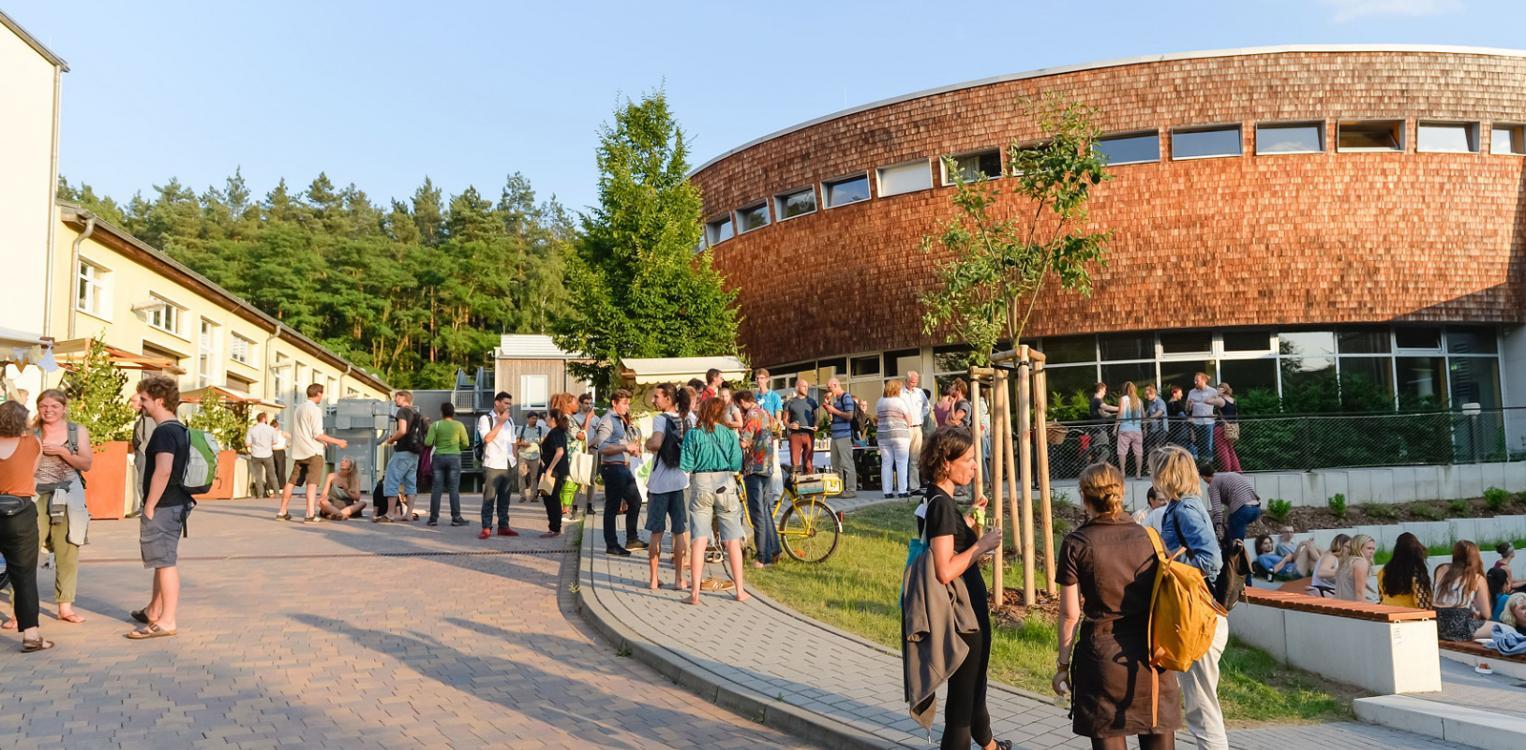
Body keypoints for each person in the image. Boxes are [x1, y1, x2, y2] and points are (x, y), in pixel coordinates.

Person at [1055, 462, 1179, 750]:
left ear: (1084, 497)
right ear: (1120, 493)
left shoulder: (1077, 543)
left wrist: (1063, 665)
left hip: (1103, 660)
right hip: (1152, 658)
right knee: (1158, 733)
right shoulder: (1151, 538)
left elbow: (1070, 614)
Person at [905, 427, 1005, 750]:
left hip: (969, 613)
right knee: (962, 707)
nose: (975, 465)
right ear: (947, 463)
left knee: (973, 692)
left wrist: (970, 523)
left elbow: (947, 543)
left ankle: (989, 745)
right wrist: (983, 545)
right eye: (970, 459)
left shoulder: (937, 499)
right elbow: (945, 569)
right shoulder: (941, 506)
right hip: (964, 619)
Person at [1151, 445, 1226, 750]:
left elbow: (1211, 561)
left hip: (1198, 618)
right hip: (1199, 614)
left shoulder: (1185, 509)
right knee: (1201, 705)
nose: (1151, 474)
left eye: (1156, 468)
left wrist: (1171, 569)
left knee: (1202, 709)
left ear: (1167, 474)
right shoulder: (1183, 506)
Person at [127, 375, 194, 640]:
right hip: (177, 503)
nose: (140, 404)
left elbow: (163, 471)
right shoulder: (180, 428)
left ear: (159, 400)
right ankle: (154, 610)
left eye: (144, 399)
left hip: (164, 505)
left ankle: (167, 620)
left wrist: (150, 505)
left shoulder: (164, 432)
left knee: (165, 562)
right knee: (161, 559)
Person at [681, 397, 750, 606]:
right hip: (725, 482)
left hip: (701, 482)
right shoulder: (729, 434)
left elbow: (686, 464)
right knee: (732, 541)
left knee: (699, 540)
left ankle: (694, 594)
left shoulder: (693, 434)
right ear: (722, 414)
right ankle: (739, 591)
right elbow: (737, 463)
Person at [33, 389, 92, 624]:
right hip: (35, 493)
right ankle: (20, 608)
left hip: (68, 493)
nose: (48, 410)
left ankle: (65, 606)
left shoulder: (77, 431)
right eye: (44, 406)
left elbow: (86, 463)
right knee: (27, 549)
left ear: (64, 408)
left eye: (54, 406)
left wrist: (62, 452)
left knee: (68, 548)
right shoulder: (30, 432)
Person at [0, 400, 50, 651]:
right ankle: (31, 635)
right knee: (24, 576)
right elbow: (32, 473)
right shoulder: (33, 443)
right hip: (19, 512)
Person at [278, 384, 348, 523]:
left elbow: (303, 431)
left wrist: (322, 440)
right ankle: (310, 515)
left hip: (299, 452)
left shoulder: (298, 409)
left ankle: (282, 512)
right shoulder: (315, 410)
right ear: (319, 394)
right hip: (313, 452)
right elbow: (317, 434)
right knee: (312, 483)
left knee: (291, 482)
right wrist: (337, 441)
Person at [643, 384, 691, 588]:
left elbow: (655, 444)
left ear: (668, 400)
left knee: (656, 532)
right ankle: (679, 579)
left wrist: (645, 443)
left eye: (657, 397)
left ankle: (654, 579)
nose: (654, 400)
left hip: (660, 484)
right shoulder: (689, 419)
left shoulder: (660, 419)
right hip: (682, 481)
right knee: (679, 532)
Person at [597, 390, 644, 556]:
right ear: (614, 403)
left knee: (636, 500)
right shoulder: (608, 420)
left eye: (628, 403)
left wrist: (630, 451)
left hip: (622, 467)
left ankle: (632, 538)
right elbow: (602, 447)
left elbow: (618, 444)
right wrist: (625, 447)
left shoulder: (619, 420)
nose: (627, 406)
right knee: (612, 507)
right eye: (624, 403)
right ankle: (612, 544)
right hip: (613, 468)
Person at [737, 390, 780, 569]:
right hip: (768, 466)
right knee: (765, 509)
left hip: (754, 468)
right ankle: (774, 550)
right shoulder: (765, 413)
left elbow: (744, 442)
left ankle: (762, 557)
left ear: (742, 402)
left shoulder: (752, 415)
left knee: (757, 514)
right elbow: (777, 429)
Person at [475, 392, 520, 539]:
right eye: (506, 403)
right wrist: (500, 422)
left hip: (508, 464)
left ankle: (503, 526)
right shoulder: (485, 419)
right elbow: (487, 439)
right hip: (493, 463)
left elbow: (513, 441)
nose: (508, 406)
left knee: (505, 498)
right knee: (489, 497)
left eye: (509, 404)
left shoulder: (510, 421)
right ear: (497, 403)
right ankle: (486, 527)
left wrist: (514, 458)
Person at [1434, 541, 1495, 641]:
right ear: (1475, 557)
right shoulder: (1477, 578)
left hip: (1438, 626)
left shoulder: (1441, 569)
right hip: (1461, 628)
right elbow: (1487, 614)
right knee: (1506, 630)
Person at [377, 390, 420, 523]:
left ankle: (390, 514)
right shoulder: (416, 413)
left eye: (396, 398)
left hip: (402, 451)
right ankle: (408, 514)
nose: (395, 401)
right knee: (410, 483)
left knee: (391, 479)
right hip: (415, 452)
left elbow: (402, 430)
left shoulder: (402, 411)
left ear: (402, 398)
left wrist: (391, 439)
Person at [424, 402, 469, 527]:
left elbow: (428, 442)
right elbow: (466, 443)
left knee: (436, 489)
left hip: (438, 458)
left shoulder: (436, 425)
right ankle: (456, 518)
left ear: (441, 412)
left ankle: (433, 519)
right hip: (454, 458)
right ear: (453, 412)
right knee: (453, 489)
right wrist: (456, 448)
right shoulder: (459, 425)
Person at [1198, 463, 1259, 543]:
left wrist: (1218, 528)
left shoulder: (1213, 484)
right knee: (1234, 530)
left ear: (1203, 476)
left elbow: (1217, 511)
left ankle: (1234, 552)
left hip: (1242, 509)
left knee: (1233, 543)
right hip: (1256, 508)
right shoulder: (1230, 475)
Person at [877, 379, 913, 498]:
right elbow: (909, 420)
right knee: (902, 462)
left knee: (886, 463)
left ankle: (887, 492)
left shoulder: (880, 402)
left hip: (883, 436)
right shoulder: (899, 402)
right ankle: (902, 491)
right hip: (900, 435)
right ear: (896, 389)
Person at [537, 411, 570, 539]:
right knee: (550, 498)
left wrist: (550, 469)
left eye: (547, 416)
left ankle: (554, 528)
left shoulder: (555, 432)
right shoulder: (557, 432)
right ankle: (554, 527)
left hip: (554, 472)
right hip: (557, 470)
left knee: (552, 499)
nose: (545, 418)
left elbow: (560, 452)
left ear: (553, 419)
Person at [823, 377, 858, 498]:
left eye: (829, 387)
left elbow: (849, 416)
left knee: (847, 463)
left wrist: (834, 410)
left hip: (844, 435)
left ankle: (851, 490)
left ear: (835, 385)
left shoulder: (846, 397)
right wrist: (828, 407)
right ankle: (838, 489)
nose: (828, 390)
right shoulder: (835, 400)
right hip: (835, 436)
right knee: (835, 464)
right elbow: (832, 417)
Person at [1378, 532, 1433, 608]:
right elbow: (1421, 598)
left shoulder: (1384, 570)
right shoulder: (1415, 571)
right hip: (1408, 613)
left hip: (1387, 609)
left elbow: (1381, 594)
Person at [129, 391, 158, 516]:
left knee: (142, 481)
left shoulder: (148, 416)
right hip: (142, 452)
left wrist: (142, 449)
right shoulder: (144, 416)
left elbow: (149, 436)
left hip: (145, 453)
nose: (131, 405)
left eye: (134, 401)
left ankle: (145, 507)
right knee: (142, 481)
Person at [1185, 373, 1223, 463]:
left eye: (1197, 381)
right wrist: (1188, 406)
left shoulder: (1213, 391)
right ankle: (1196, 465)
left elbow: (1221, 404)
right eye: (1194, 380)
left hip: (1208, 422)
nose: (1195, 382)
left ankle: (1207, 466)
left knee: (1207, 446)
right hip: (1195, 422)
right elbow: (1187, 409)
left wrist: (1217, 414)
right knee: (1195, 444)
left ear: (1204, 380)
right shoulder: (1192, 392)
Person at [783, 377, 819, 473]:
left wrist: (816, 426)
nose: (806, 388)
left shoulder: (812, 402)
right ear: (797, 387)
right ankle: (795, 484)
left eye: (807, 386)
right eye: (804, 386)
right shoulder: (790, 402)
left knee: (808, 463)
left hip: (809, 434)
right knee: (795, 464)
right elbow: (784, 421)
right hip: (795, 435)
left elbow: (816, 418)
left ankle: (809, 484)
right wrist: (790, 425)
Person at [571, 392, 598, 518]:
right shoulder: (575, 417)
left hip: (593, 450)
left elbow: (600, 435)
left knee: (591, 479)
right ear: (580, 404)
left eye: (590, 403)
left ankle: (589, 505)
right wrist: (584, 446)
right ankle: (574, 505)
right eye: (586, 403)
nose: (589, 405)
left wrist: (590, 444)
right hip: (580, 450)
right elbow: (579, 432)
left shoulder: (596, 419)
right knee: (578, 477)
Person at [903, 370, 931, 488]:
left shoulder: (919, 392)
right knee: (903, 458)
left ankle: (914, 486)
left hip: (917, 427)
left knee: (915, 458)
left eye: (916, 382)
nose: (914, 385)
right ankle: (903, 487)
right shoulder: (900, 393)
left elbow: (926, 406)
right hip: (905, 428)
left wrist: (921, 416)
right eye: (912, 382)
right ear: (906, 381)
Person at [515, 411, 548, 505]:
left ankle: (533, 496)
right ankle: (522, 495)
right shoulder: (521, 429)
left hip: (535, 456)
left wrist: (542, 441)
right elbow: (517, 442)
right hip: (523, 455)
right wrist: (523, 443)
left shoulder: (541, 429)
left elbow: (546, 438)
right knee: (522, 475)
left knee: (534, 477)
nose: (535, 420)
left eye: (536, 418)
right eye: (533, 418)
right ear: (528, 419)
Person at [1114, 381, 1144, 479]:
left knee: (1122, 451)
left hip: (1125, 429)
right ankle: (1138, 473)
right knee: (1138, 452)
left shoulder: (1123, 399)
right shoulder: (1139, 401)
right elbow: (1144, 416)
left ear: (1125, 389)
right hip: (1137, 429)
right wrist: (1145, 428)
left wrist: (1115, 428)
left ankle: (1123, 472)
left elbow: (1120, 413)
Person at [1335, 534, 1376, 602]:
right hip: (1354, 606)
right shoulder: (1361, 562)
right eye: (1368, 548)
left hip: (1341, 605)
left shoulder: (1346, 561)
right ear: (1358, 547)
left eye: (1373, 549)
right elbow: (1360, 593)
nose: (1372, 552)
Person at [246, 412, 277, 498]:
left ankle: (260, 494)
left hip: (256, 454)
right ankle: (277, 492)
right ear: (264, 419)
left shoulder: (251, 429)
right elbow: (275, 442)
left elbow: (248, 444)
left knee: (258, 476)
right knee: (272, 474)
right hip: (268, 454)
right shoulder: (271, 429)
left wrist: (256, 445)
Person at [1212, 384, 1242, 473]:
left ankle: (1227, 470)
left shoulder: (1221, 400)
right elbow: (1235, 415)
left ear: (1223, 389)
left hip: (1221, 428)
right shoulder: (1233, 400)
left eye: (1218, 388)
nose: (1217, 390)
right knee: (1230, 449)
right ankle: (1237, 470)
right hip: (1231, 428)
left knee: (1222, 450)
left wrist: (1216, 394)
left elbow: (1206, 401)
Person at [1088, 383, 1117, 463]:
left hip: (1098, 430)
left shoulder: (1093, 401)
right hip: (1099, 430)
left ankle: (1098, 467)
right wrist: (1120, 408)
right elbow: (1106, 407)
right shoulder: (1097, 400)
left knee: (1099, 450)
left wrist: (1114, 415)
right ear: (1100, 390)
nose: (1105, 392)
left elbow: (1103, 413)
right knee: (1105, 451)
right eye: (1104, 390)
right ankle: (1099, 468)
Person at [1142, 384, 1168, 462]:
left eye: (1148, 394)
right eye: (1146, 395)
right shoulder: (1150, 403)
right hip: (1153, 429)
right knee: (1150, 447)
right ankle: (1151, 464)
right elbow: (1146, 414)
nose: (1147, 397)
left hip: (1161, 428)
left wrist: (1151, 418)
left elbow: (1160, 412)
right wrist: (1145, 428)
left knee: (1158, 446)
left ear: (1153, 393)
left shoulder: (1160, 401)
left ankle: (1160, 463)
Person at [270, 418, 288, 488]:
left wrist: (287, 445)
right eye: (272, 427)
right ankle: (272, 487)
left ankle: (281, 487)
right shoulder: (270, 434)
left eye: (275, 427)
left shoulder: (282, 433)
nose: (274, 429)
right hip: (272, 451)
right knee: (272, 470)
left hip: (280, 451)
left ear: (278, 426)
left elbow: (292, 438)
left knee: (280, 470)